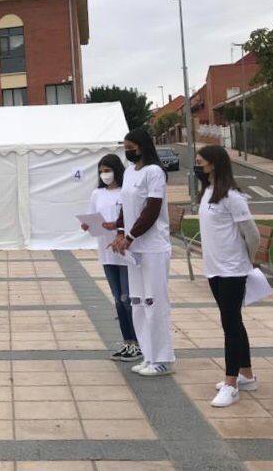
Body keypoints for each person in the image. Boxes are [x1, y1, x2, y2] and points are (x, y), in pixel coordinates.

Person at [195, 145, 261, 407]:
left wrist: (248, 261)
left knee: (230, 325)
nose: (197, 166)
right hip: (214, 268)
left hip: (232, 270)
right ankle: (247, 375)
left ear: (215, 164)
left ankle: (231, 383)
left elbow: (252, 234)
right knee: (234, 322)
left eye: (201, 163)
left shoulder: (233, 197)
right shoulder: (208, 192)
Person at [111, 128, 175, 376]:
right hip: (133, 249)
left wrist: (130, 236)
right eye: (125, 146)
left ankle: (163, 359)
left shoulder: (155, 172)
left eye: (131, 147)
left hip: (153, 248)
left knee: (154, 302)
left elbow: (152, 209)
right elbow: (125, 207)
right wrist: (119, 232)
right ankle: (148, 356)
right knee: (137, 302)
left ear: (142, 146)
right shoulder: (128, 172)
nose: (127, 151)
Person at [82, 154, 142, 362]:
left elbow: (130, 218)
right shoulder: (97, 193)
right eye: (101, 171)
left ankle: (139, 342)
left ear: (117, 170)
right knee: (118, 300)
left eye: (107, 170)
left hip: (123, 251)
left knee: (128, 298)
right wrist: (88, 224)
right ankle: (128, 342)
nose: (104, 174)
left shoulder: (125, 192)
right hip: (106, 253)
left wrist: (116, 226)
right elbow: (93, 217)